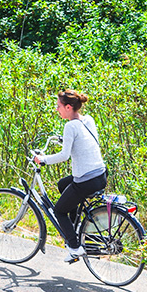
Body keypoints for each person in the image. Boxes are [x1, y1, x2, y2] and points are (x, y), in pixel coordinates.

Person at [33, 90, 107, 263]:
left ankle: (74, 248)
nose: (56, 109)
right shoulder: (88, 119)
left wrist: (43, 160)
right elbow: (83, 140)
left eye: (59, 106)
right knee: (62, 184)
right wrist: (63, 139)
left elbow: (64, 155)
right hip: (100, 175)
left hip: (86, 181)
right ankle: (76, 227)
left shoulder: (70, 126)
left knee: (59, 211)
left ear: (68, 107)